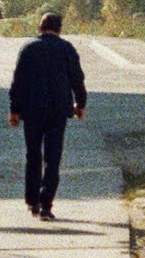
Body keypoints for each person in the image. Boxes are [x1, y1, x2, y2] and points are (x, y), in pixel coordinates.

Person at [7, 11, 87, 221]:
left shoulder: (29, 48)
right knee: (53, 158)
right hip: (58, 110)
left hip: (32, 110)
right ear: (59, 28)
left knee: (33, 155)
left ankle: (32, 201)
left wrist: (14, 109)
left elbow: (18, 81)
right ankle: (46, 205)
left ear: (40, 27)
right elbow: (77, 78)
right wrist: (80, 103)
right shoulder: (67, 49)